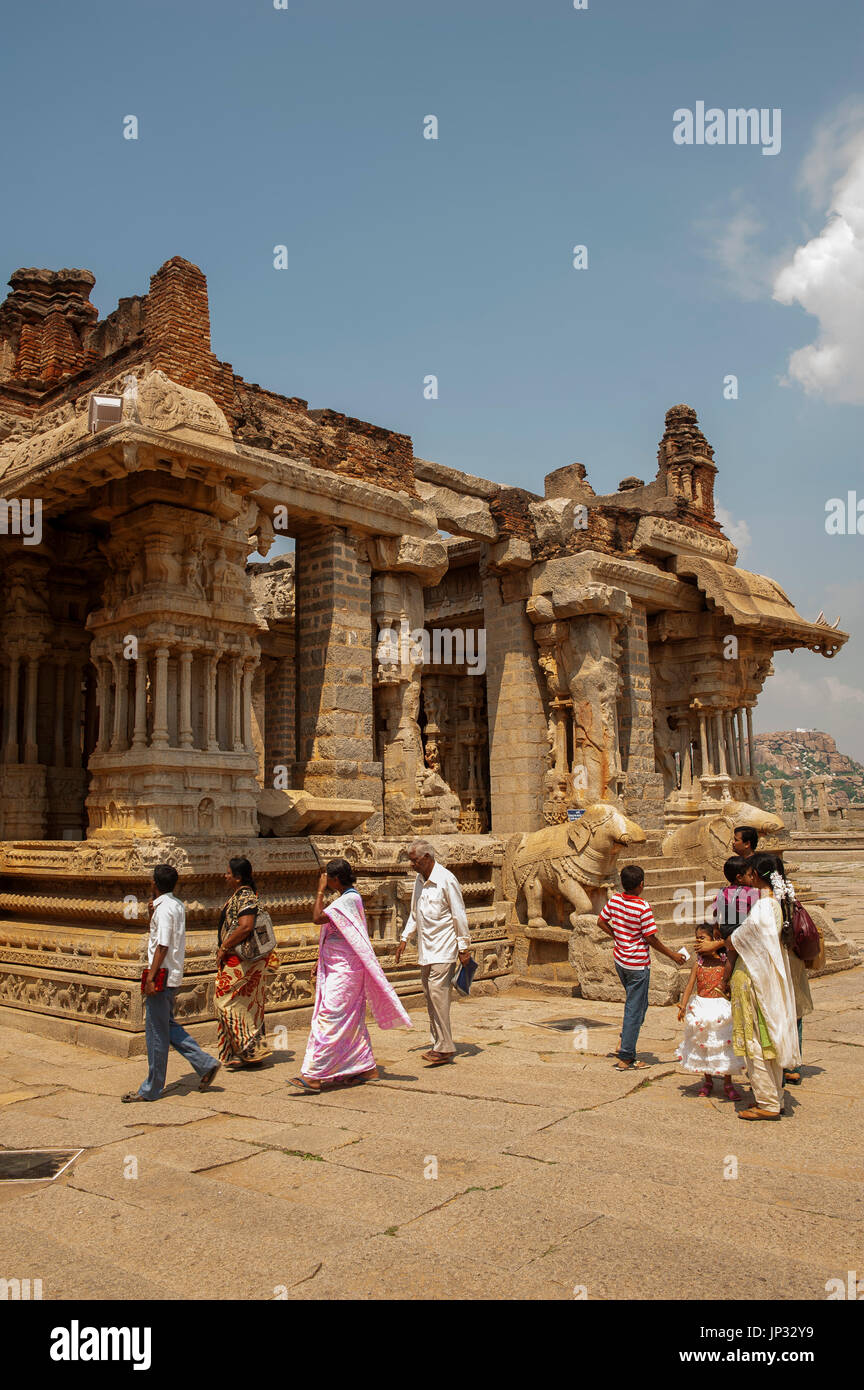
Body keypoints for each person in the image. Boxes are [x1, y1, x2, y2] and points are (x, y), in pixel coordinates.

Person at [290, 859, 411, 1093]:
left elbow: (316, 917)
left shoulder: (348, 900)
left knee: (329, 1017)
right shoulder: (345, 900)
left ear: (334, 879)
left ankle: (314, 1074)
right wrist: (320, 961)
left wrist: (318, 890)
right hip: (340, 967)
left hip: (345, 971)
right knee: (351, 1020)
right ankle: (365, 1067)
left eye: (327, 878)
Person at [122, 864, 220, 1102]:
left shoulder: (166, 908)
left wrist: (152, 977)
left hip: (162, 975)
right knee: (167, 1026)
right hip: (172, 974)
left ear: (154, 884)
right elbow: (159, 938)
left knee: (156, 1033)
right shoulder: (174, 905)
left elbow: (162, 945)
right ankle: (205, 1063)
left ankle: (151, 1088)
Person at [722, 852, 800, 1120]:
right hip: (760, 978)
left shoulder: (764, 907)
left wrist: (725, 941)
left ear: (756, 874)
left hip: (755, 979)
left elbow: (743, 937)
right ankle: (773, 1097)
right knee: (767, 1039)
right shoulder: (773, 903)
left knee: (757, 1040)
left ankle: (767, 1102)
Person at [597, 864, 688, 1071]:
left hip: (621, 960)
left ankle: (624, 1040)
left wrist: (617, 936)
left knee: (640, 1005)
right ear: (641, 885)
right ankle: (627, 1056)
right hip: (637, 964)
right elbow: (650, 938)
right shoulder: (642, 907)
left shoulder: (615, 900)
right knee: (633, 1009)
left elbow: (601, 921)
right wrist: (673, 955)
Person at [394, 839, 471, 1067]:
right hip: (426, 950)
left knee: (438, 996)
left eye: (415, 860)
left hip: (445, 949)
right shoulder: (419, 881)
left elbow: (459, 914)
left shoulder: (446, 880)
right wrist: (404, 938)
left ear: (427, 857)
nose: (412, 865)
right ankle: (438, 1042)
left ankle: (445, 1047)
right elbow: (415, 913)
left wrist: (464, 947)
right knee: (430, 996)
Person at [214, 856, 276, 1069]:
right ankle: (236, 1054)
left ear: (238, 877)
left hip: (241, 961)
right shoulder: (243, 895)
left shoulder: (246, 897)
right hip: (245, 961)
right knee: (248, 1005)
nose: (225, 876)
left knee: (223, 1001)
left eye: (228, 873)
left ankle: (250, 1048)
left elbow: (245, 926)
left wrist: (224, 947)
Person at [675, 924, 743, 1100]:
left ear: (714, 942)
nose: (698, 941)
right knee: (703, 1045)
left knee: (723, 1046)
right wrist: (683, 1006)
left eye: (702, 938)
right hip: (702, 1008)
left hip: (720, 1010)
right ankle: (708, 1080)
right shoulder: (698, 964)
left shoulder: (724, 963)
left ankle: (728, 1082)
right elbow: (690, 985)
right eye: (696, 937)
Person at [710, 856, 760, 935]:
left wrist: (715, 928)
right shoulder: (749, 892)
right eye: (750, 875)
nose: (752, 878)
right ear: (739, 877)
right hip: (741, 932)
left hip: (725, 931)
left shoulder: (722, 892)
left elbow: (715, 912)